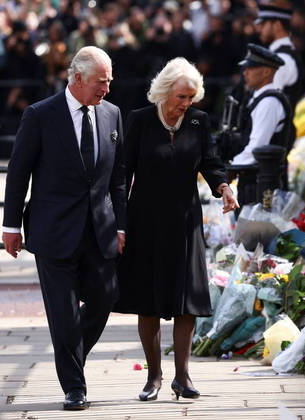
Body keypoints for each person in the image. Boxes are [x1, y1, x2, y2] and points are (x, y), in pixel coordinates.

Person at [2, 46, 126, 411]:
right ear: (76, 79)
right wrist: (11, 226)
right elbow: (18, 172)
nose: (106, 89)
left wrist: (122, 226)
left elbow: (118, 178)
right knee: (63, 312)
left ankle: (71, 355)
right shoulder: (40, 115)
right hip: (52, 229)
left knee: (105, 298)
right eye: (100, 82)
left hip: (99, 228)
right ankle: (75, 387)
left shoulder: (113, 115)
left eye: (109, 81)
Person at [114, 57, 239, 402]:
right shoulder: (139, 121)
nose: (186, 104)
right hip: (145, 222)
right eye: (181, 97)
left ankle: (182, 376)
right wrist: (119, 223)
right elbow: (122, 175)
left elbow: (211, 162)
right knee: (149, 302)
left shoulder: (199, 122)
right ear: (165, 91)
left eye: (191, 98)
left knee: (188, 301)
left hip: (186, 222)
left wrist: (224, 187)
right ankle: (153, 375)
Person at [226, 43, 294, 201]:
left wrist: (232, 168)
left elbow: (257, 146)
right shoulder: (259, 99)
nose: (245, 72)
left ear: (266, 72)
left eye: (251, 68)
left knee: (258, 225)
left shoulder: (269, 102)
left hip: (262, 186)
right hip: (255, 181)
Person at [255, 1, 305, 108]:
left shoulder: (282, 59)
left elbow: (269, 105)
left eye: (263, 24)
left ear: (277, 25)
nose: (259, 29)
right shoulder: (278, 54)